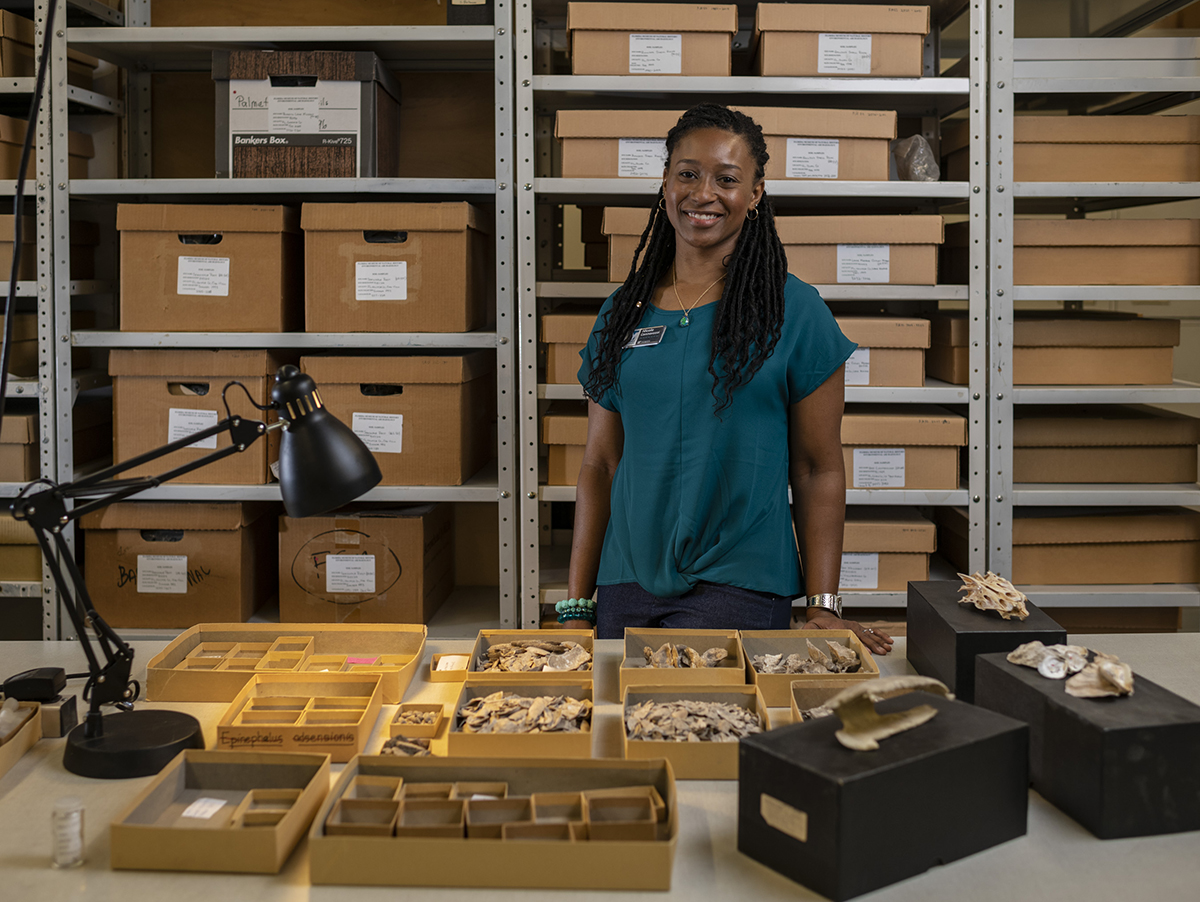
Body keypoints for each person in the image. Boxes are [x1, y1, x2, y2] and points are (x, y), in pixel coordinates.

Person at [555, 104, 893, 657]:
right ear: (665, 182)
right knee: (621, 733)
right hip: (625, 583)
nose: (703, 193)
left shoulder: (794, 310)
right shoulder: (622, 312)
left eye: (727, 179)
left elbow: (817, 468)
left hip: (740, 582)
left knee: (705, 730)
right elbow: (599, 464)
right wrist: (575, 608)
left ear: (755, 194)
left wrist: (823, 605)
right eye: (687, 173)